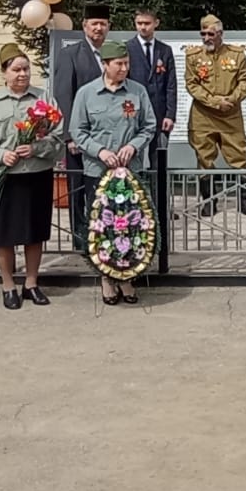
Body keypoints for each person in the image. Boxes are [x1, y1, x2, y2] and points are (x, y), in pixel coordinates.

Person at [0, 43, 64, 310]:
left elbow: (58, 137)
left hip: (36, 174)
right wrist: (1, 154)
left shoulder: (44, 100)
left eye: (26, 69)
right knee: (3, 234)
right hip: (3, 177)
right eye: (16, 70)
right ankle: (8, 285)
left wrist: (36, 148)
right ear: (4, 73)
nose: (22, 74)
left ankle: (31, 283)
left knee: (34, 231)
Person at [71, 40, 157, 305]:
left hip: (131, 171)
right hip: (98, 171)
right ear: (105, 64)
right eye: (119, 64)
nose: (124, 68)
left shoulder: (137, 91)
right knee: (103, 226)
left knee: (131, 225)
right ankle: (107, 279)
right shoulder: (87, 94)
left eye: (127, 63)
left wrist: (133, 146)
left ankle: (127, 277)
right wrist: (100, 151)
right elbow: (77, 131)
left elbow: (149, 126)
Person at [51, 2, 111, 251]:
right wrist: (70, 136)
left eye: (103, 24)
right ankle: (80, 239)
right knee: (78, 189)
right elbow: (63, 95)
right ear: (85, 26)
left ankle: (104, 234)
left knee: (104, 187)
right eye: (94, 24)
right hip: (80, 136)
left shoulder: (112, 54)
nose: (98, 28)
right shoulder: (71, 55)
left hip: (107, 137)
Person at [185, 14, 246, 216]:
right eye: (203, 34)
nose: (206, 38)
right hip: (203, 116)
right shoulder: (193, 56)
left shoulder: (236, 55)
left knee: (239, 157)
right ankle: (209, 202)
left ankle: (244, 201)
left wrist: (231, 99)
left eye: (211, 34)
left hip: (230, 115)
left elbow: (245, 81)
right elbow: (192, 84)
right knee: (204, 159)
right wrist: (215, 102)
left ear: (220, 34)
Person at [127, 6, 176, 167]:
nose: (143, 27)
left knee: (159, 160)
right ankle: (136, 184)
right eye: (139, 23)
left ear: (156, 23)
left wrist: (170, 114)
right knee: (133, 157)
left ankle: (158, 185)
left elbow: (171, 84)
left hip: (159, 114)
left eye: (147, 23)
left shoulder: (165, 50)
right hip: (134, 113)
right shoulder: (127, 49)